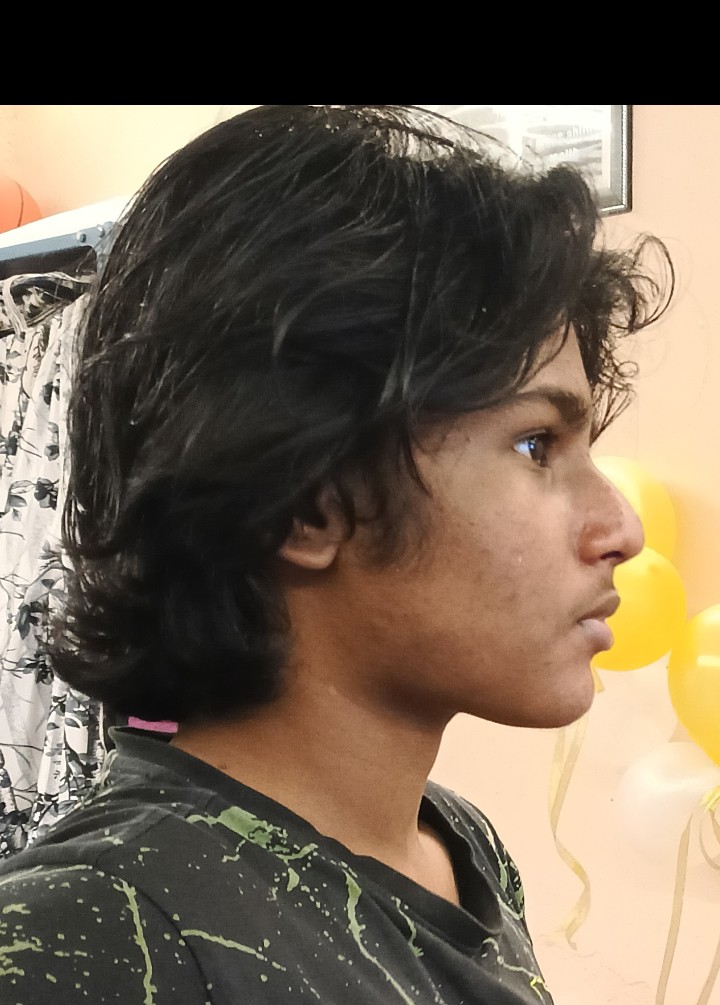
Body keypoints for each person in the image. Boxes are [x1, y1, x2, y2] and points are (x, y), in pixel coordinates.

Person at [0, 104, 671, 1004]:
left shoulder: (453, 844)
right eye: (536, 444)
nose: (621, 528)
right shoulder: (87, 935)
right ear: (308, 502)